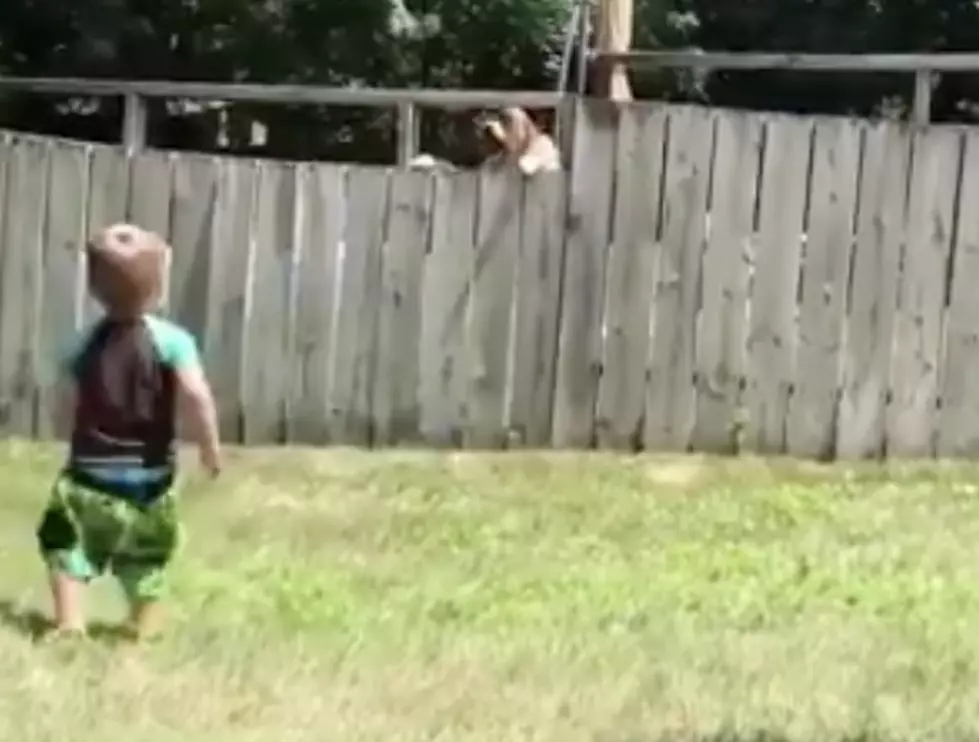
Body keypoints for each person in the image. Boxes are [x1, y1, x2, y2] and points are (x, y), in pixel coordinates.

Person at [36, 223, 221, 640]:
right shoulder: (173, 341)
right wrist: (210, 447)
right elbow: (196, 394)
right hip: (150, 480)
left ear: (94, 288)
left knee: (66, 543)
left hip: (88, 475)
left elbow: (60, 395)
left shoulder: (83, 342)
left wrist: (62, 428)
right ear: (159, 288)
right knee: (147, 557)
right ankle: (144, 628)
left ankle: (70, 623)